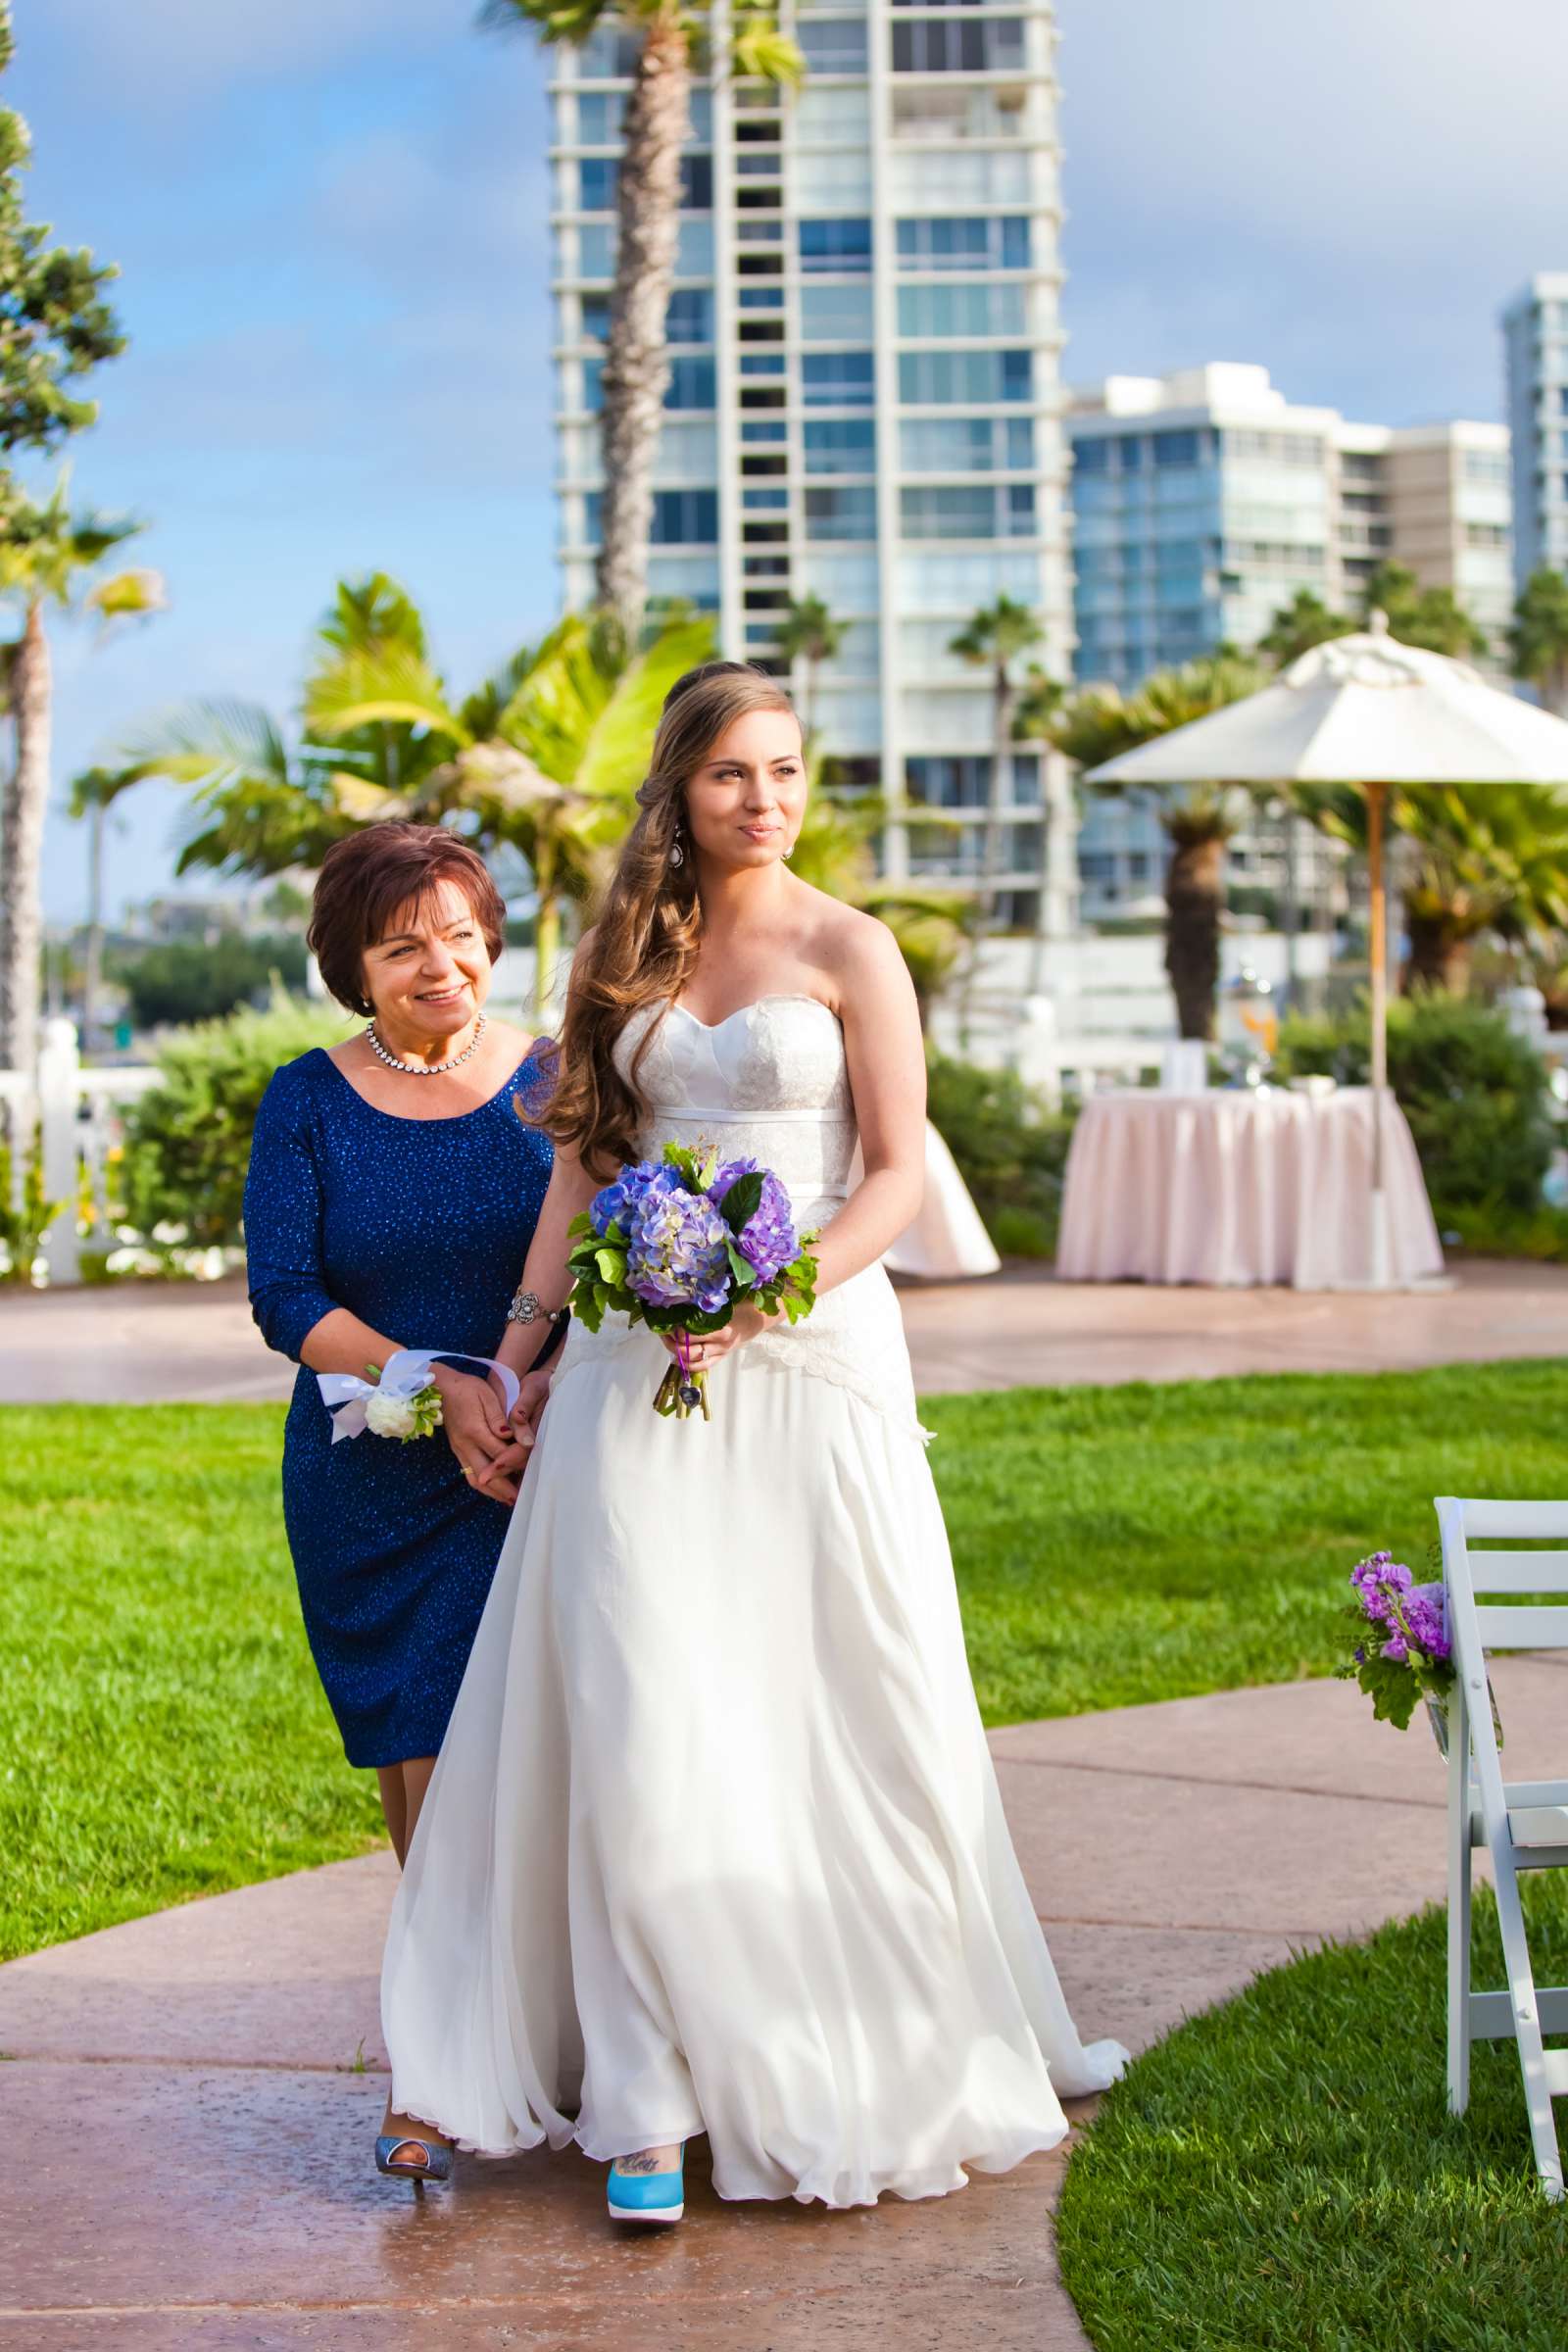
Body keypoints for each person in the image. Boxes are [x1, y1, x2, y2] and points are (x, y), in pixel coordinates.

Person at [380, 663, 1124, 2222]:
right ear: (681, 785)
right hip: (627, 1375)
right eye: (731, 773)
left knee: (835, 1698)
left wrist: (767, 1295)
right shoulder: (621, 951)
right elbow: (584, 1174)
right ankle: (644, 2090)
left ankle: (845, 2033)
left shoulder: (855, 948)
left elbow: (900, 1177)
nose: (763, 800)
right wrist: (520, 1356)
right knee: (642, 1692)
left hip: (810, 1359)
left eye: (785, 771)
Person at [243, 821, 557, 2183]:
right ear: (354, 969)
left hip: (538, 1463)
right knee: (421, 1758)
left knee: (548, 1754)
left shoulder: (556, 1079)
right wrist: (432, 1377)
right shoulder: (306, 1100)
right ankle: (433, 2075)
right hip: (375, 1475)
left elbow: (601, 1248)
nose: (443, 963)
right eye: (403, 943)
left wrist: (527, 1389)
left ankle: (566, 2044)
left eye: (463, 931)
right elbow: (285, 1296)